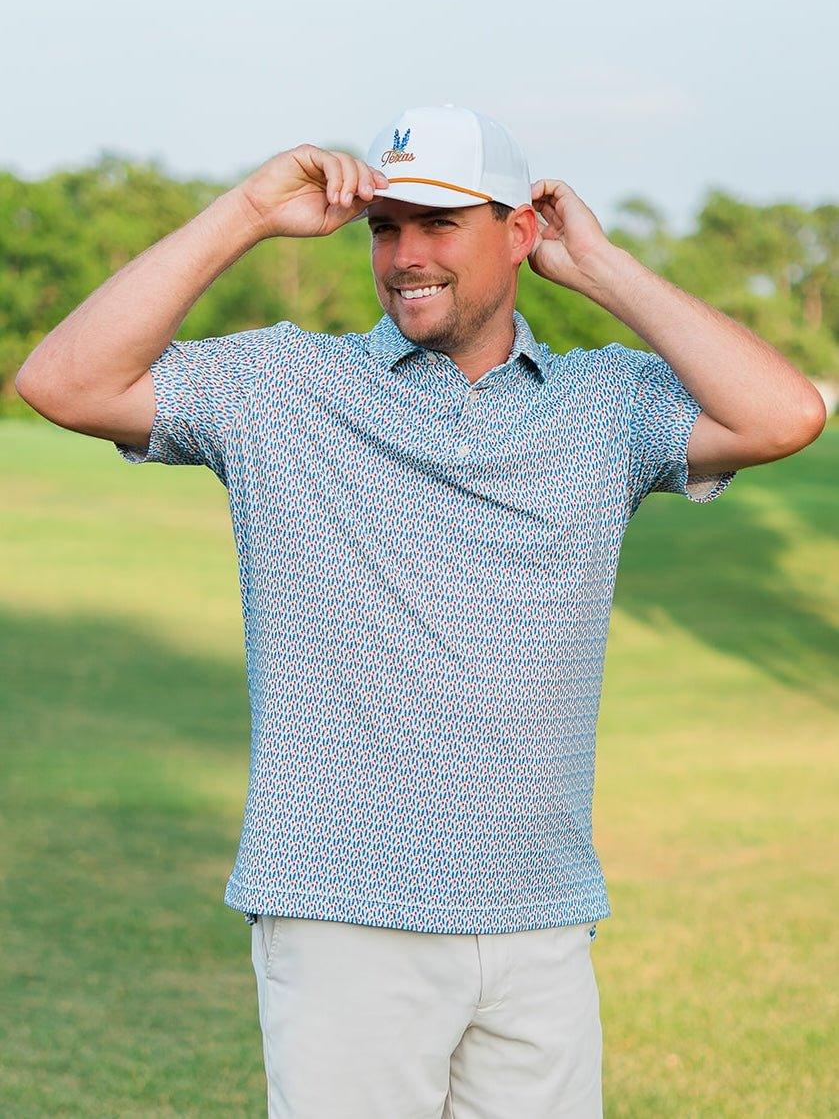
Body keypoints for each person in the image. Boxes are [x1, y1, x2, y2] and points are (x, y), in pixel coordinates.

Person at [14, 104, 826, 1118]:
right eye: (385, 228)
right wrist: (247, 213)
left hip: (539, 921)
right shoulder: (282, 386)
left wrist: (604, 269)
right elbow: (63, 381)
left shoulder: (605, 406)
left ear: (519, 233)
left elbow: (784, 413)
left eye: (438, 224)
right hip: (346, 917)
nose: (404, 256)